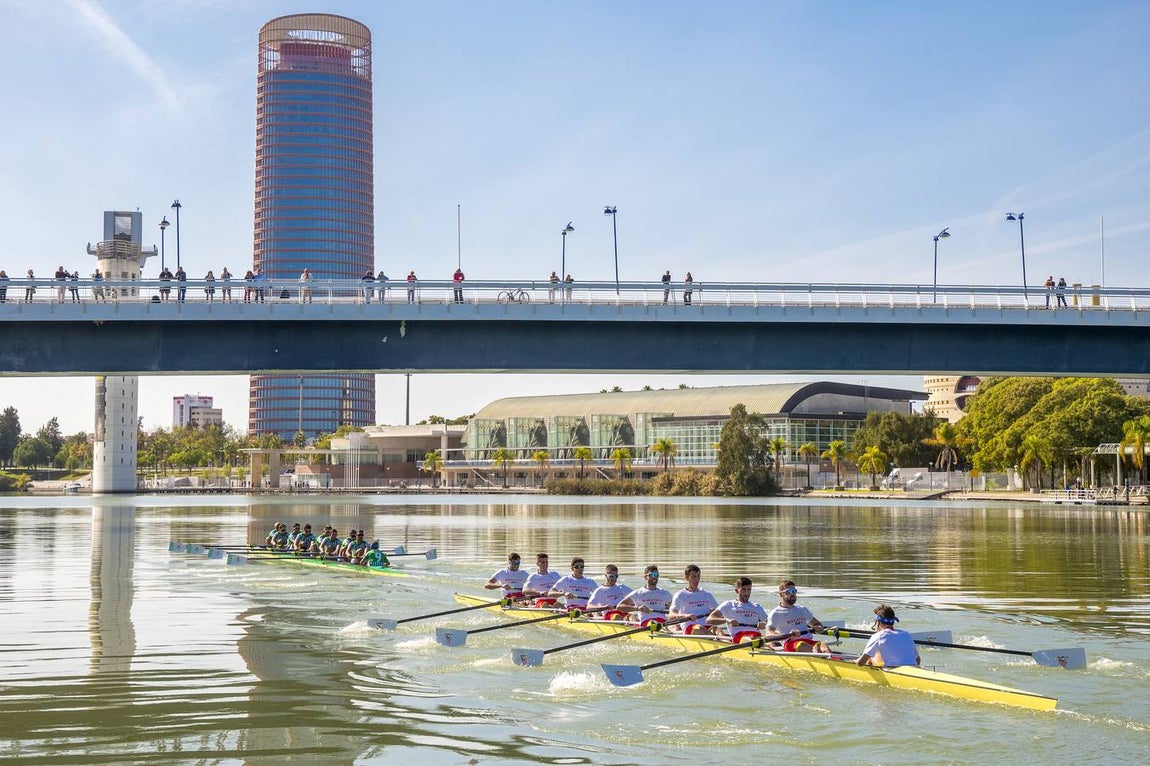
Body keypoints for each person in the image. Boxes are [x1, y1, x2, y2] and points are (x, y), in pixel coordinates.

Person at [765, 579, 829, 652]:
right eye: (789, 591)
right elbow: (768, 633)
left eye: (794, 591)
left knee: (824, 646)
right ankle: (819, 654)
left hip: (808, 640)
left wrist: (819, 628)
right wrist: (788, 634)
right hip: (791, 643)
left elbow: (817, 624)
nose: (793, 594)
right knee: (806, 646)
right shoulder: (775, 613)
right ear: (781, 594)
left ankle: (832, 659)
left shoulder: (802, 609)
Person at [707, 577, 770, 643]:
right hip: (739, 636)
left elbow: (770, 624)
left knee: (770, 641)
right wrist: (726, 620)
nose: (747, 593)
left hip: (756, 636)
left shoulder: (757, 607)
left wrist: (764, 624)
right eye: (743, 590)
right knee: (754, 641)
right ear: (737, 591)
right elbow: (709, 620)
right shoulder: (729, 605)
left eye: (749, 590)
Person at [856, 604, 920, 668]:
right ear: (893, 622)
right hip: (913, 670)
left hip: (893, 673)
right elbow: (918, 661)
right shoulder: (906, 634)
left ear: (878, 622)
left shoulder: (878, 636)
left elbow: (860, 663)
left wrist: (871, 660)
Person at [669, 564, 719, 634]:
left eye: (698, 576)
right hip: (690, 626)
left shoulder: (707, 594)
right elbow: (671, 615)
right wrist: (686, 615)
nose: (697, 579)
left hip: (707, 625)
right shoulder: (680, 595)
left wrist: (715, 613)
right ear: (687, 578)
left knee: (718, 631)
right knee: (700, 629)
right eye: (693, 577)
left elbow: (719, 613)